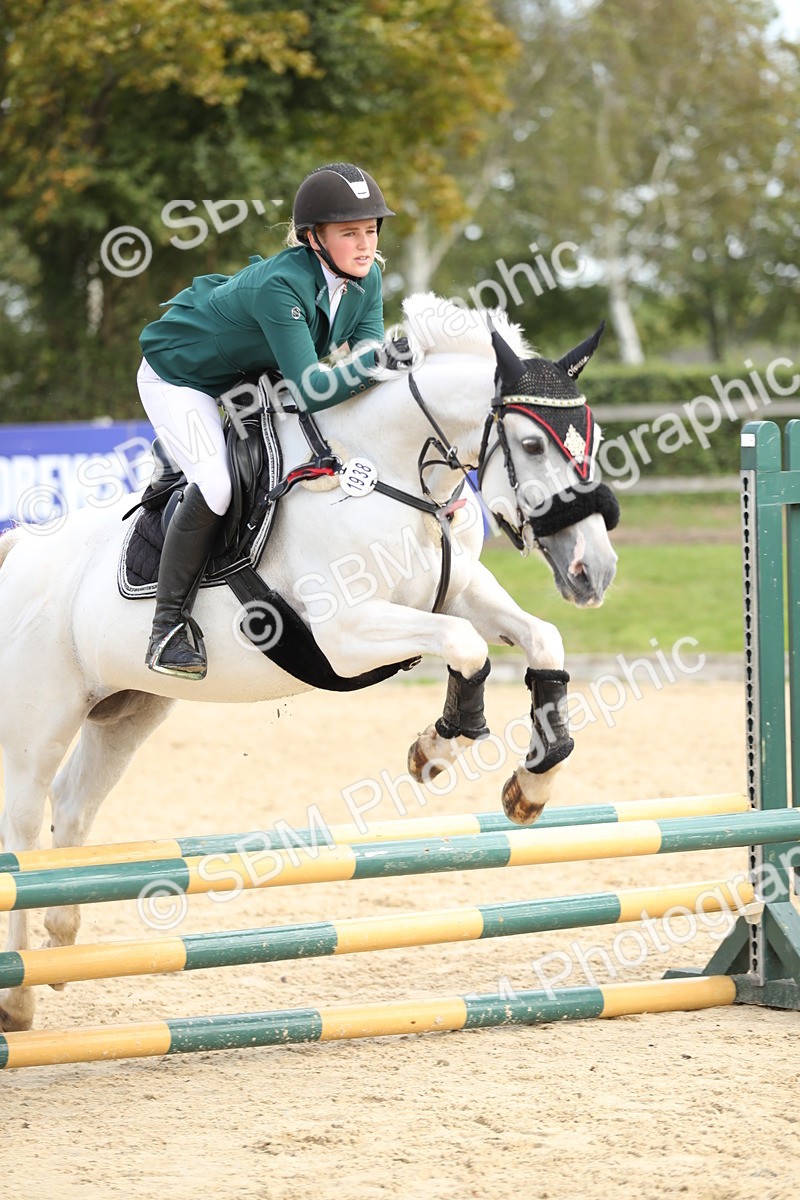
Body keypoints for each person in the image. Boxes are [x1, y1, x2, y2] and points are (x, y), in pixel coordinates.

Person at [137, 162, 408, 681]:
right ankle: (167, 627)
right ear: (313, 237)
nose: (365, 244)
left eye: (371, 230)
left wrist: (388, 370)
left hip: (248, 375)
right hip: (180, 375)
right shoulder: (282, 285)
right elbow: (313, 385)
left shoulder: (367, 278)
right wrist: (380, 364)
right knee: (216, 485)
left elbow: (365, 361)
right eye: (349, 232)